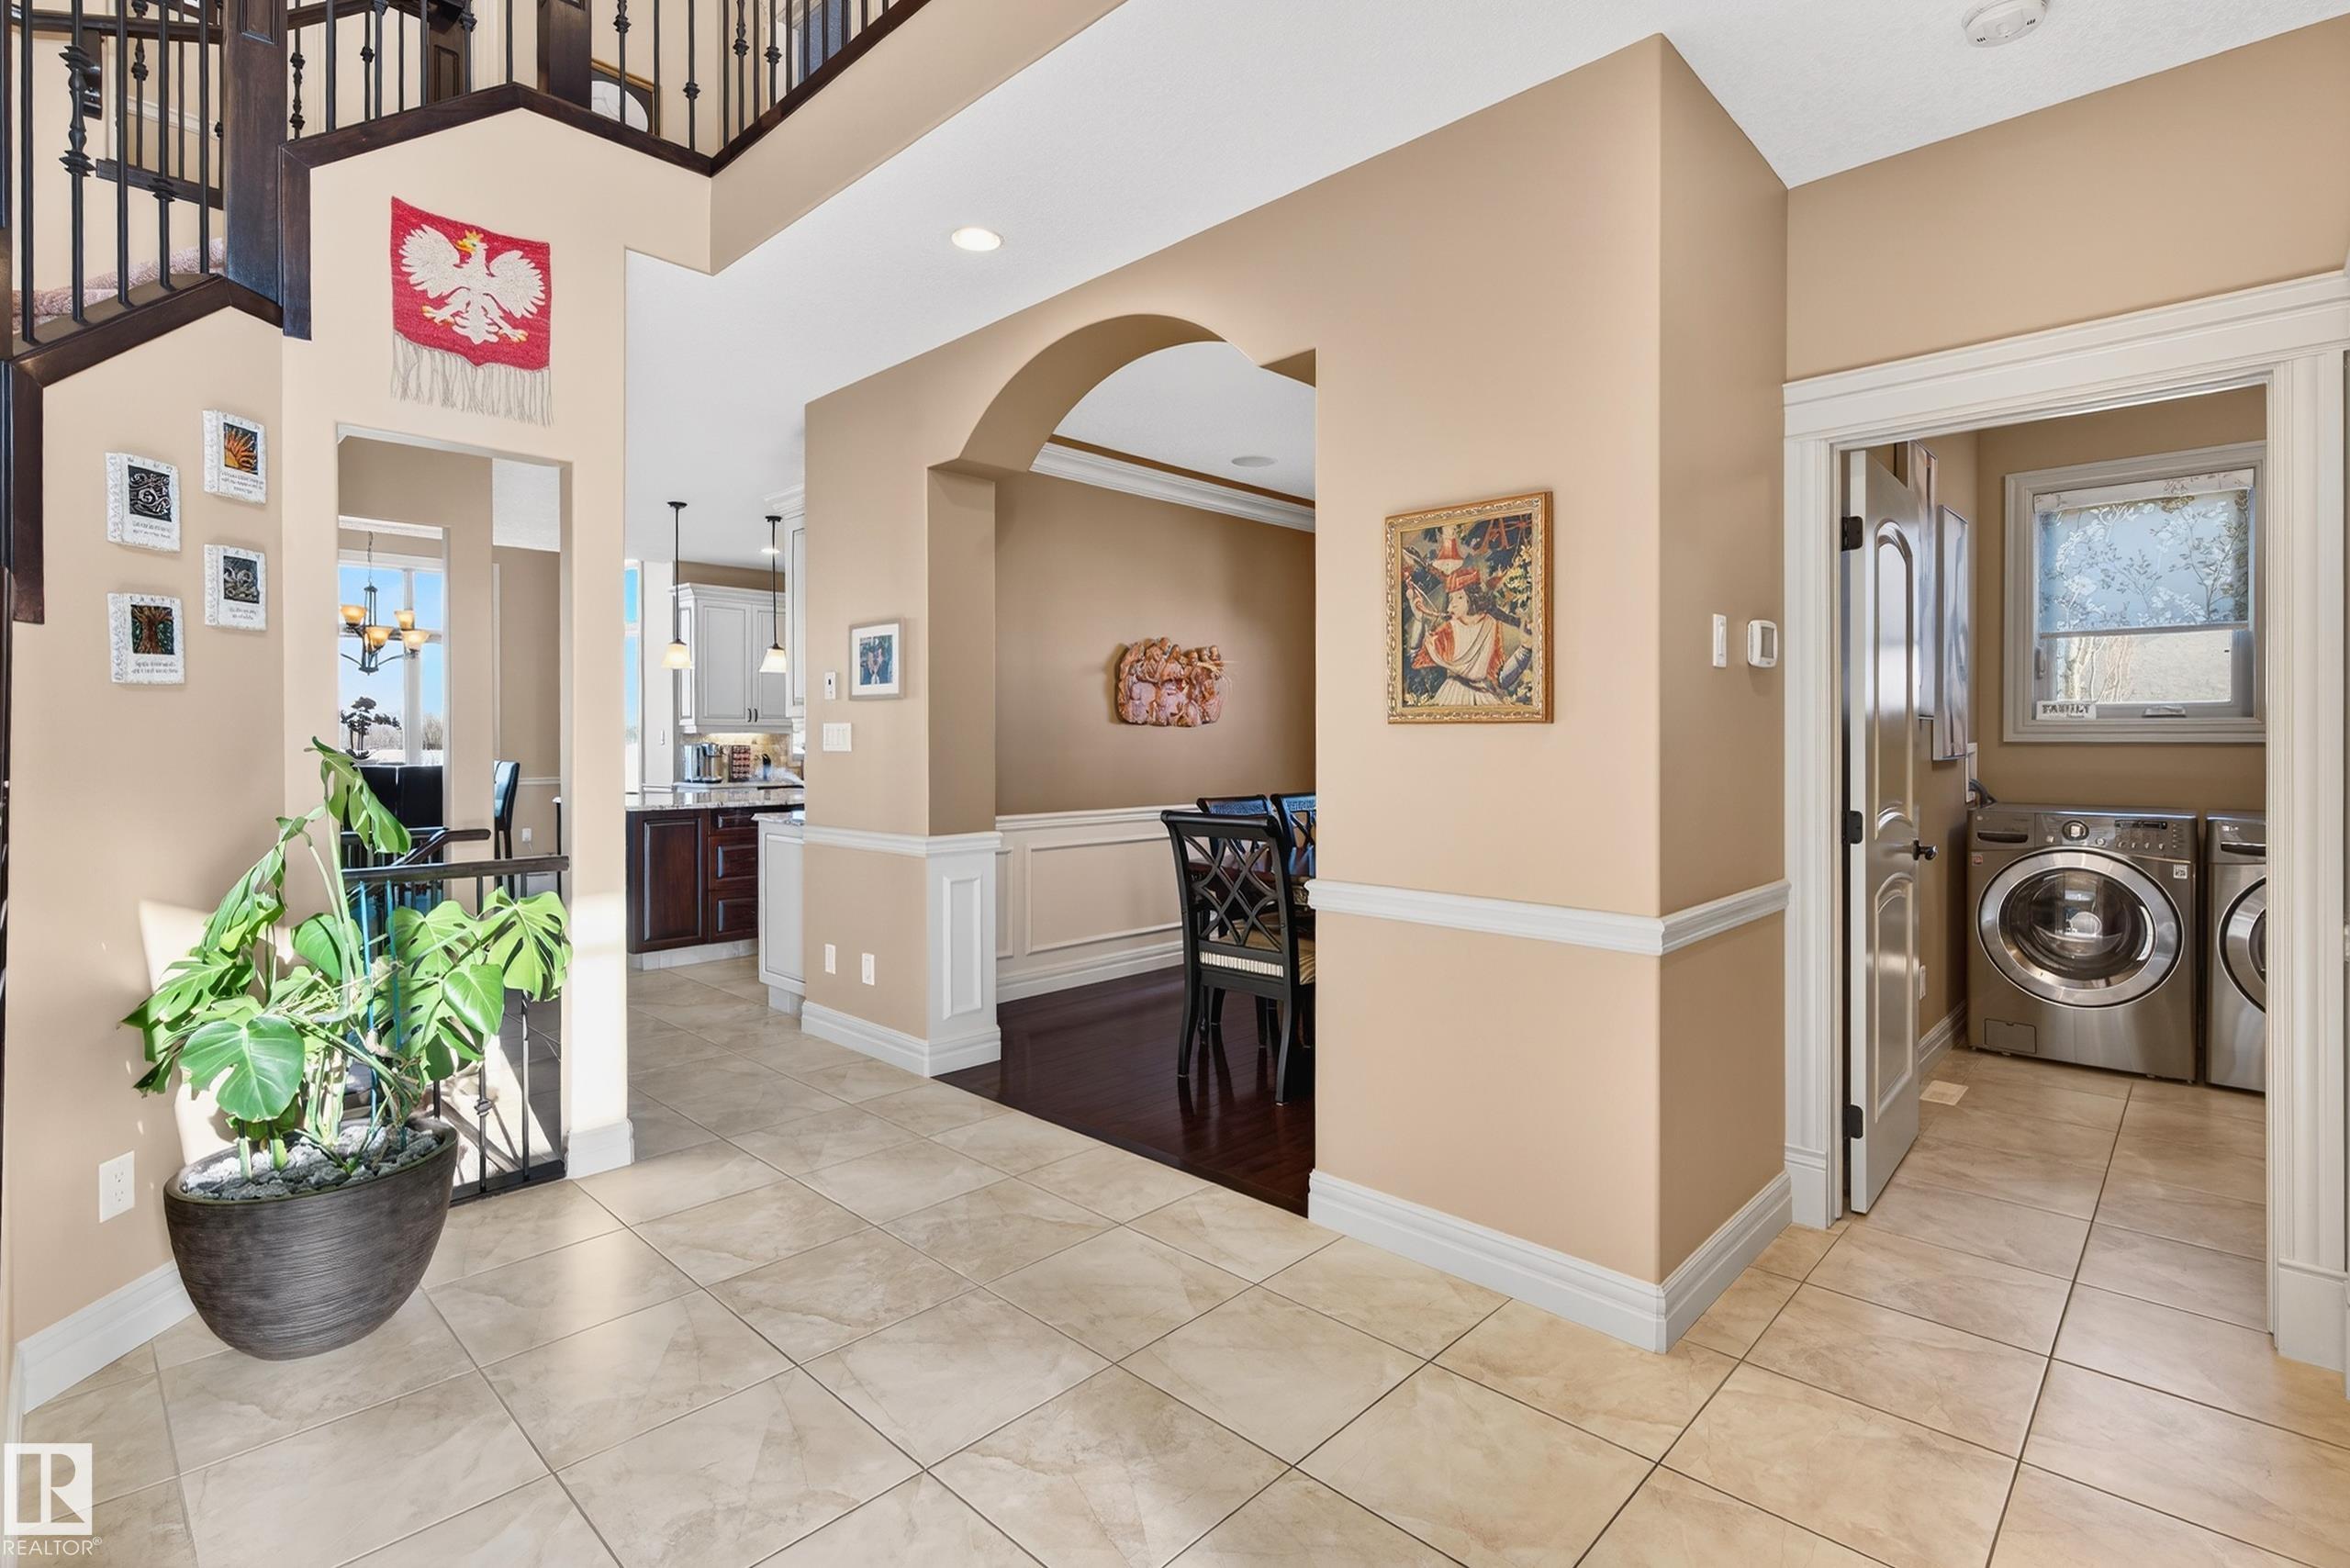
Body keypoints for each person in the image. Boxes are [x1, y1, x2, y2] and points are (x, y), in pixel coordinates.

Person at [1406, 566, 1509, 705]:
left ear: (1471, 597)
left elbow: (1497, 671)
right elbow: (1416, 658)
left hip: (1484, 695)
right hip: (1453, 695)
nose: (1451, 606)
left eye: (1459, 597)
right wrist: (1419, 620)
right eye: (1451, 599)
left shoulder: (1492, 624)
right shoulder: (1448, 629)